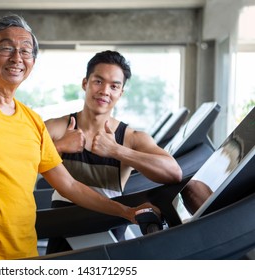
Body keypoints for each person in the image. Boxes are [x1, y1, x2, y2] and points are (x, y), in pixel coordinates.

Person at [0, 14, 159, 260]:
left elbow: (70, 186)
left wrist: (127, 212)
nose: (17, 57)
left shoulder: (32, 120)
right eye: (6, 48)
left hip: (24, 253)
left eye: (26, 51)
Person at [44, 50, 183, 253]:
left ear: (121, 93)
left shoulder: (130, 137)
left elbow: (173, 172)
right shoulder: (56, 128)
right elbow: (18, 162)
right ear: (85, 83)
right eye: (98, 82)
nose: (105, 91)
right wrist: (58, 147)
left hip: (109, 226)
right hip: (64, 224)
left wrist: (117, 151)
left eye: (114, 86)